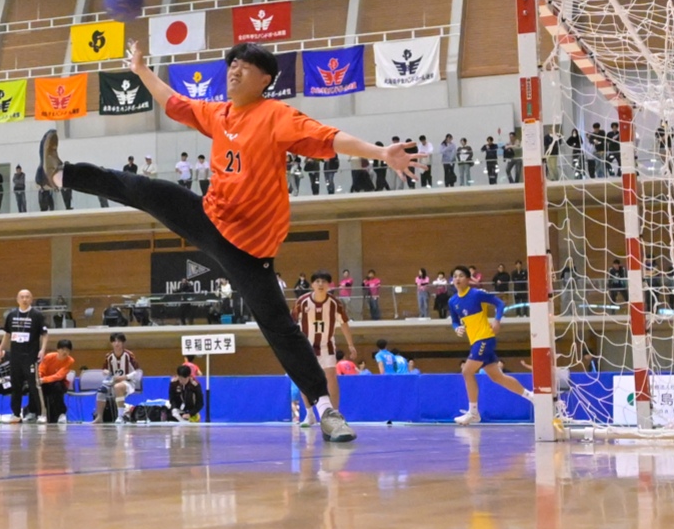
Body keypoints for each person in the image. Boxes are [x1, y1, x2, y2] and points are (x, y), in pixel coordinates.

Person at [35, 41, 414, 443]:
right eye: (233, 63)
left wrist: (380, 153)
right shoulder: (219, 113)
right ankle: (60, 175)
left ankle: (326, 411)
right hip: (210, 218)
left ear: (265, 80)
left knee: (279, 329)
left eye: (246, 66)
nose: (235, 69)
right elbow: (175, 103)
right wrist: (142, 70)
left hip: (250, 249)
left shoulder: (276, 116)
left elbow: (330, 138)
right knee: (142, 189)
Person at [449, 265, 529, 425]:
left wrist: (497, 320)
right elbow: (455, 321)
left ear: (468, 279)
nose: (457, 279)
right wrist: (457, 328)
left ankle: (473, 413)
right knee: (498, 377)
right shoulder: (452, 301)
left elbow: (499, 303)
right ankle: (533, 397)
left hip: (485, 338)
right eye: (455, 276)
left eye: (461, 276)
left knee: (467, 371)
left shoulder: (476, 294)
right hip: (475, 341)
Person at [294, 271, 358, 416]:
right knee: (305, 380)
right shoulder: (302, 301)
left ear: (329, 285)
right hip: (306, 346)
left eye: (324, 281)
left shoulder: (335, 303)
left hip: (326, 346)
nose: (320, 284)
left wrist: (350, 344)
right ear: (312, 285)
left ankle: (335, 413)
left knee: (331, 378)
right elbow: (292, 323)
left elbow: (344, 323)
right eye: (317, 281)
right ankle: (309, 414)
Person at [0, 288, 44, 423]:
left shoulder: (37, 315)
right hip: (15, 356)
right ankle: (16, 414)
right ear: (17, 300)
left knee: (33, 385)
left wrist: (42, 350)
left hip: (30, 356)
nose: (24, 299)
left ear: (31, 299)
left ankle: (41, 414)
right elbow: (7, 334)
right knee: (16, 386)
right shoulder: (11, 315)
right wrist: (0, 350)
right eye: (22, 297)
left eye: (27, 297)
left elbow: (45, 334)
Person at [100, 333, 142, 421]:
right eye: (114, 341)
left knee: (118, 387)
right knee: (101, 390)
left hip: (128, 382)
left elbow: (137, 371)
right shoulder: (109, 356)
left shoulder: (129, 355)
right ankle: (99, 417)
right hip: (113, 382)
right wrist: (106, 372)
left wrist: (124, 377)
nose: (116, 344)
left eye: (119, 341)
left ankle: (120, 416)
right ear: (111, 343)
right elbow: (104, 369)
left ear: (123, 343)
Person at [36, 337, 76, 423]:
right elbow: (41, 369)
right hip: (45, 382)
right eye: (62, 349)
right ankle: (39, 413)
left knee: (57, 386)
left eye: (67, 350)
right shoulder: (49, 357)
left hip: (59, 383)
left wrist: (44, 379)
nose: (65, 352)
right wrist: (39, 376)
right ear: (58, 349)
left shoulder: (70, 361)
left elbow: (59, 376)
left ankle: (61, 414)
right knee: (35, 387)